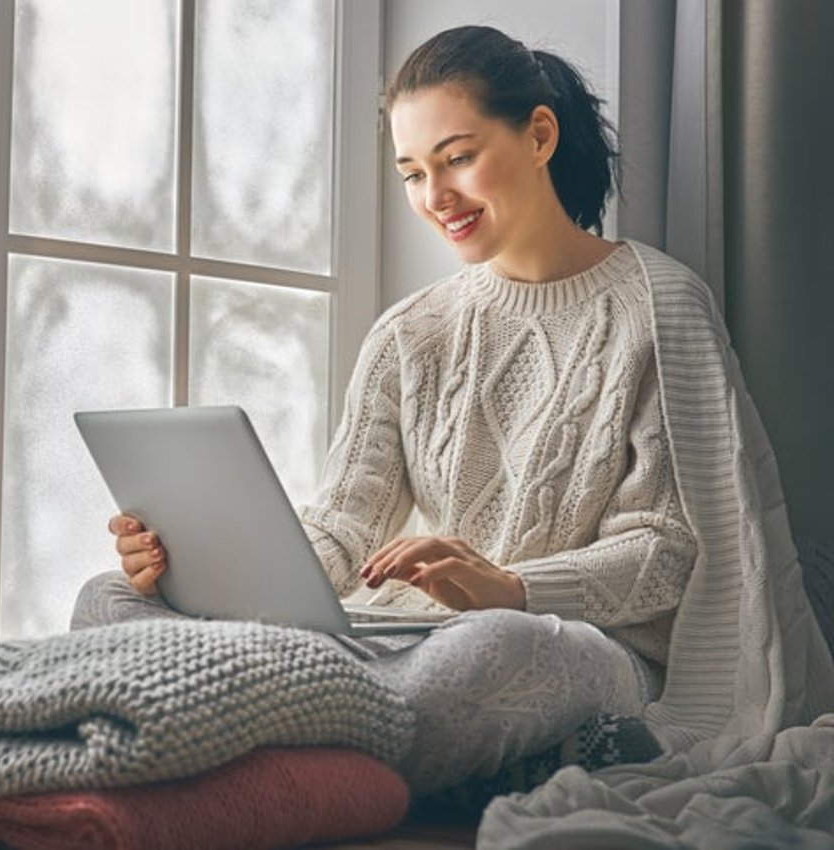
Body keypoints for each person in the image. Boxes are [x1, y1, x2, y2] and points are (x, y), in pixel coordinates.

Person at [72, 25, 834, 801]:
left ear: (539, 135)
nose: (435, 198)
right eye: (412, 173)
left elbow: (669, 552)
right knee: (106, 598)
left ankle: (246, 747)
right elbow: (343, 526)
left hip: (571, 647)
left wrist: (513, 586)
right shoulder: (410, 331)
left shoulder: (660, 304)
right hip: (404, 637)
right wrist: (192, 567)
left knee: (488, 656)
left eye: (458, 158)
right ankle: (316, 745)